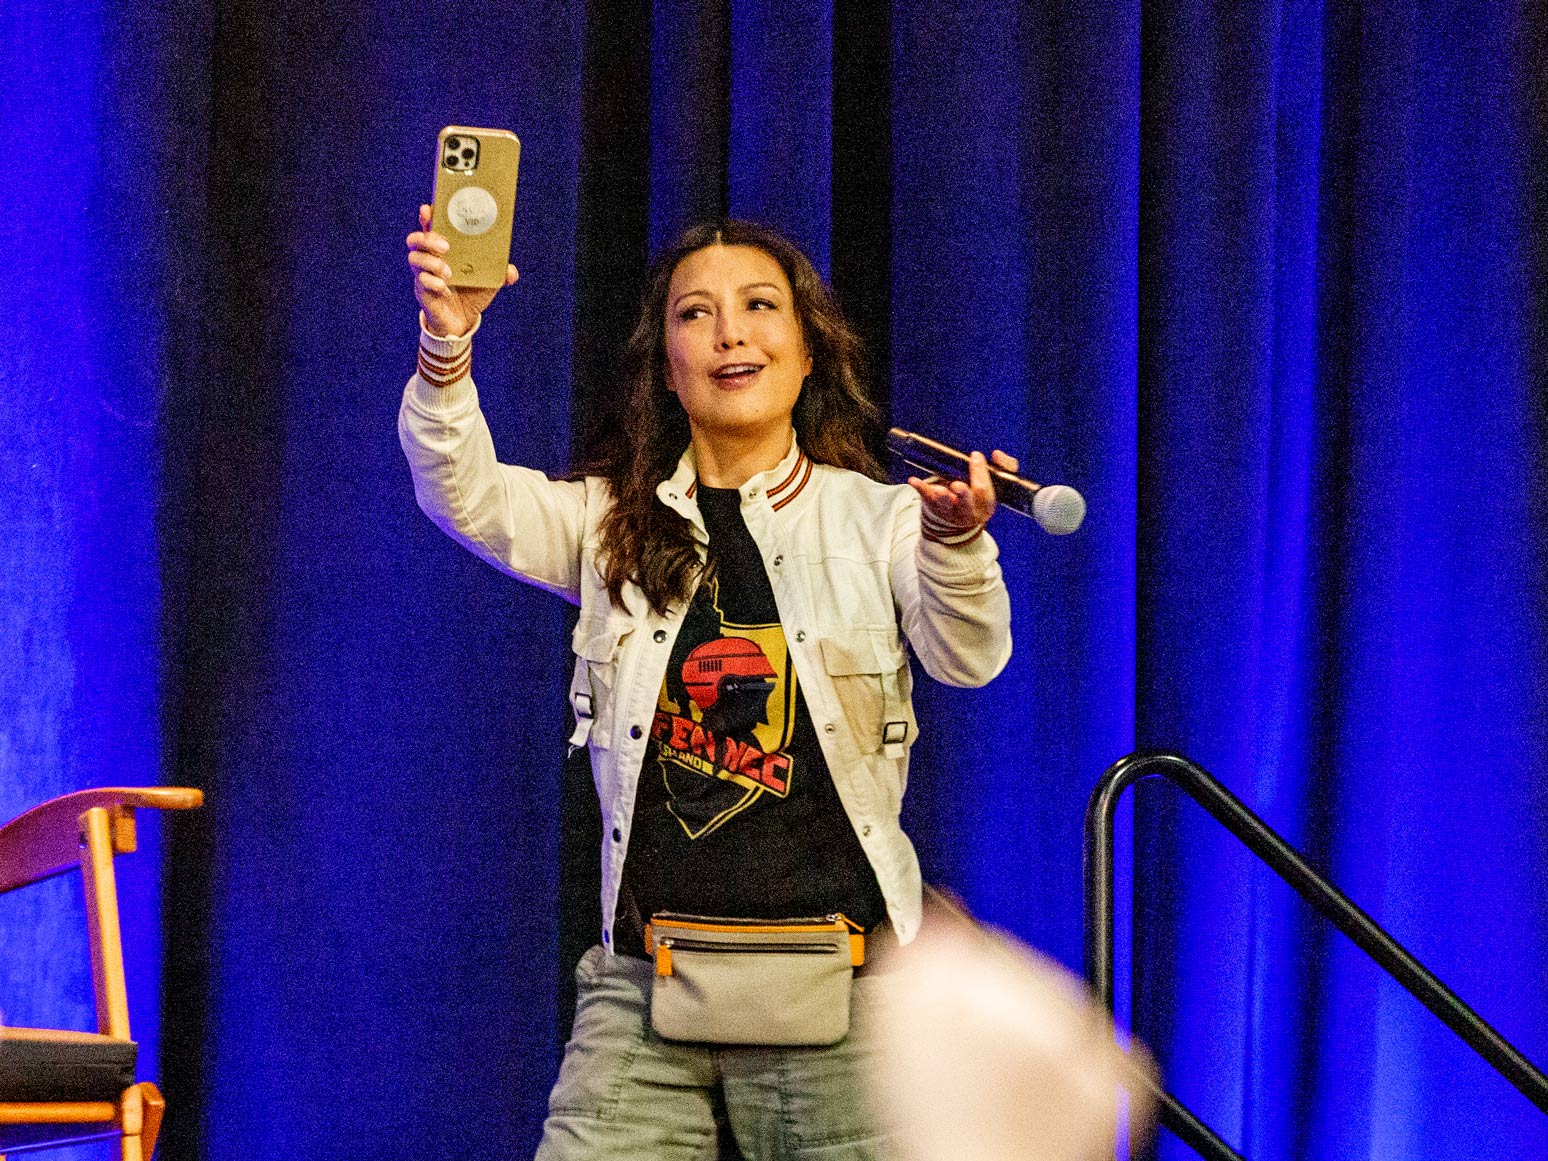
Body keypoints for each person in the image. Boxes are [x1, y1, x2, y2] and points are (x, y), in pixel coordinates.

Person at [399, 208, 1017, 1160]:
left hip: (849, 991)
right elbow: (465, 493)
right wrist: (449, 340)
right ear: (668, 365)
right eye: (697, 314)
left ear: (808, 350)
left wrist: (956, 545)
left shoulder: (881, 518)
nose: (730, 331)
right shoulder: (612, 519)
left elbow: (967, 656)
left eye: (760, 305)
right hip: (645, 991)